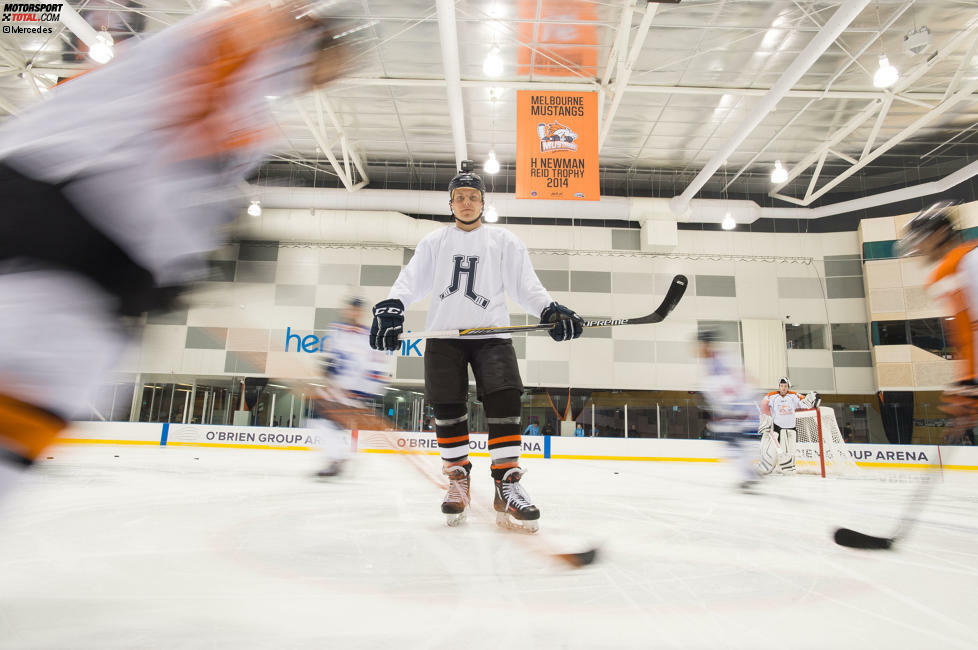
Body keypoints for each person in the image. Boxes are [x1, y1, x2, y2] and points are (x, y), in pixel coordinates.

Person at [0, 1, 353, 501]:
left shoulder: (251, 116)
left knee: (78, 368)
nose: (324, 80)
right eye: (330, 66)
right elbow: (203, 111)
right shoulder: (249, 46)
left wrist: (181, 261)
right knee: (58, 358)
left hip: (80, 239)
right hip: (59, 214)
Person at [368, 160, 584, 532]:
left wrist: (549, 309)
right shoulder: (434, 241)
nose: (466, 202)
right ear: (451, 204)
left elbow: (526, 286)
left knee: (505, 399)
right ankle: (458, 478)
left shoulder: (504, 241)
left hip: (492, 336)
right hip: (444, 337)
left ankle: (507, 484)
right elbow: (410, 280)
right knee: (447, 406)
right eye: (459, 197)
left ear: (483, 203)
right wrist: (392, 307)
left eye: (472, 196)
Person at [899, 200, 978, 443]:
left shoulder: (970, 261)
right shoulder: (949, 272)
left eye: (920, 238)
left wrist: (972, 384)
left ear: (940, 233)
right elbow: (967, 336)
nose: (918, 247)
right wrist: (967, 382)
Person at [310, 296, 391, 478]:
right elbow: (331, 359)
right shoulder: (336, 331)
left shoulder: (370, 336)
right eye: (350, 309)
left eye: (356, 309)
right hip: (337, 389)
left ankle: (337, 459)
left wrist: (363, 391)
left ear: (361, 312)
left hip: (357, 390)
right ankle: (338, 458)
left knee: (329, 421)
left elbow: (376, 367)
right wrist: (328, 378)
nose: (353, 313)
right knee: (324, 421)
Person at [696, 330, 762, 491]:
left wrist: (727, 407)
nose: (697, 349)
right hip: (736, 408)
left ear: (705, 344)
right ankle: (751, 473)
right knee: (735, 445)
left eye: (699, 344)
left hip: (736, 408)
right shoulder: (716, 360)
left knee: (733, 445)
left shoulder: (717, 361)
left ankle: (751, 475)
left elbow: (730, 384)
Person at [758, 377, 818, 475]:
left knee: (789, 450)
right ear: (779, 387)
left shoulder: (793, 396)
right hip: (776, 428)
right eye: (781, 386)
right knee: (771, 448)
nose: (783, 388)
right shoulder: (772, 396)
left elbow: (805, 402)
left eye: (785, 386)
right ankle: (767, 464)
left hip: (790, 428)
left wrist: (812, 400)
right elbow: (764, 405)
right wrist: (765, 419)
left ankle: (788, 467)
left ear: (788, 387)